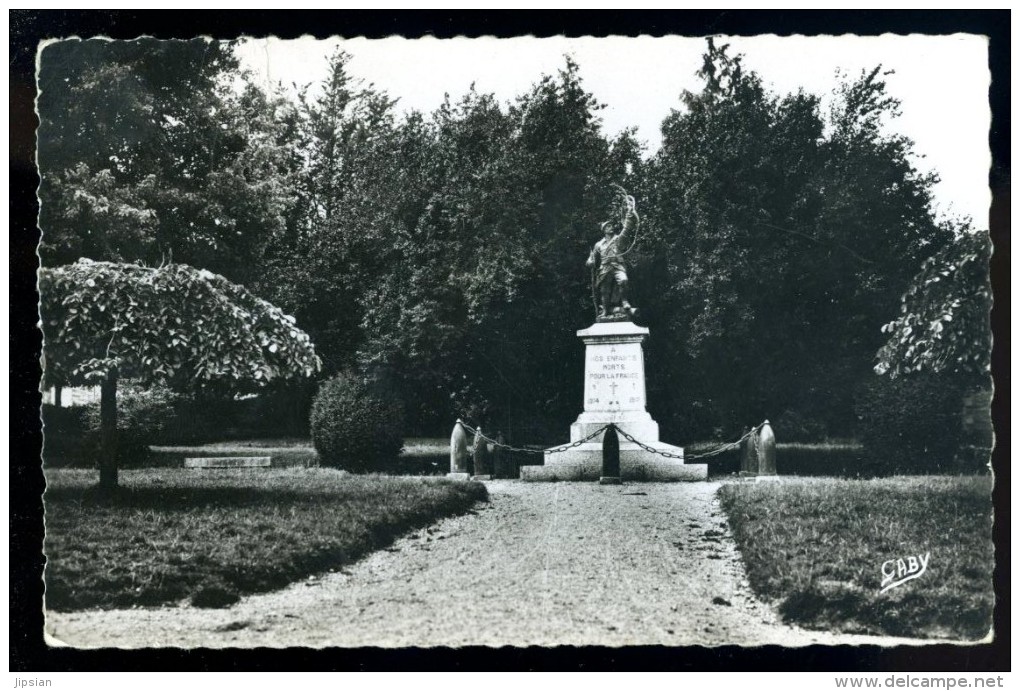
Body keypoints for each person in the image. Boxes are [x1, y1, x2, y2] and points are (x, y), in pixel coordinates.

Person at [586, 188, 639, 319]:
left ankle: (625, 301)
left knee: (624, 280)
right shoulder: (598, 244)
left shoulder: (618, 239)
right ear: (604, 230)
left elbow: (627, 228)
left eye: (611, 225)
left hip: (617, 266)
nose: (611, 227)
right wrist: (590, 262)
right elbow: (591, 260)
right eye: (607, 226)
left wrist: (630, 213)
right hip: (604, 269)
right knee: (604, 291)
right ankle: (604, 311)